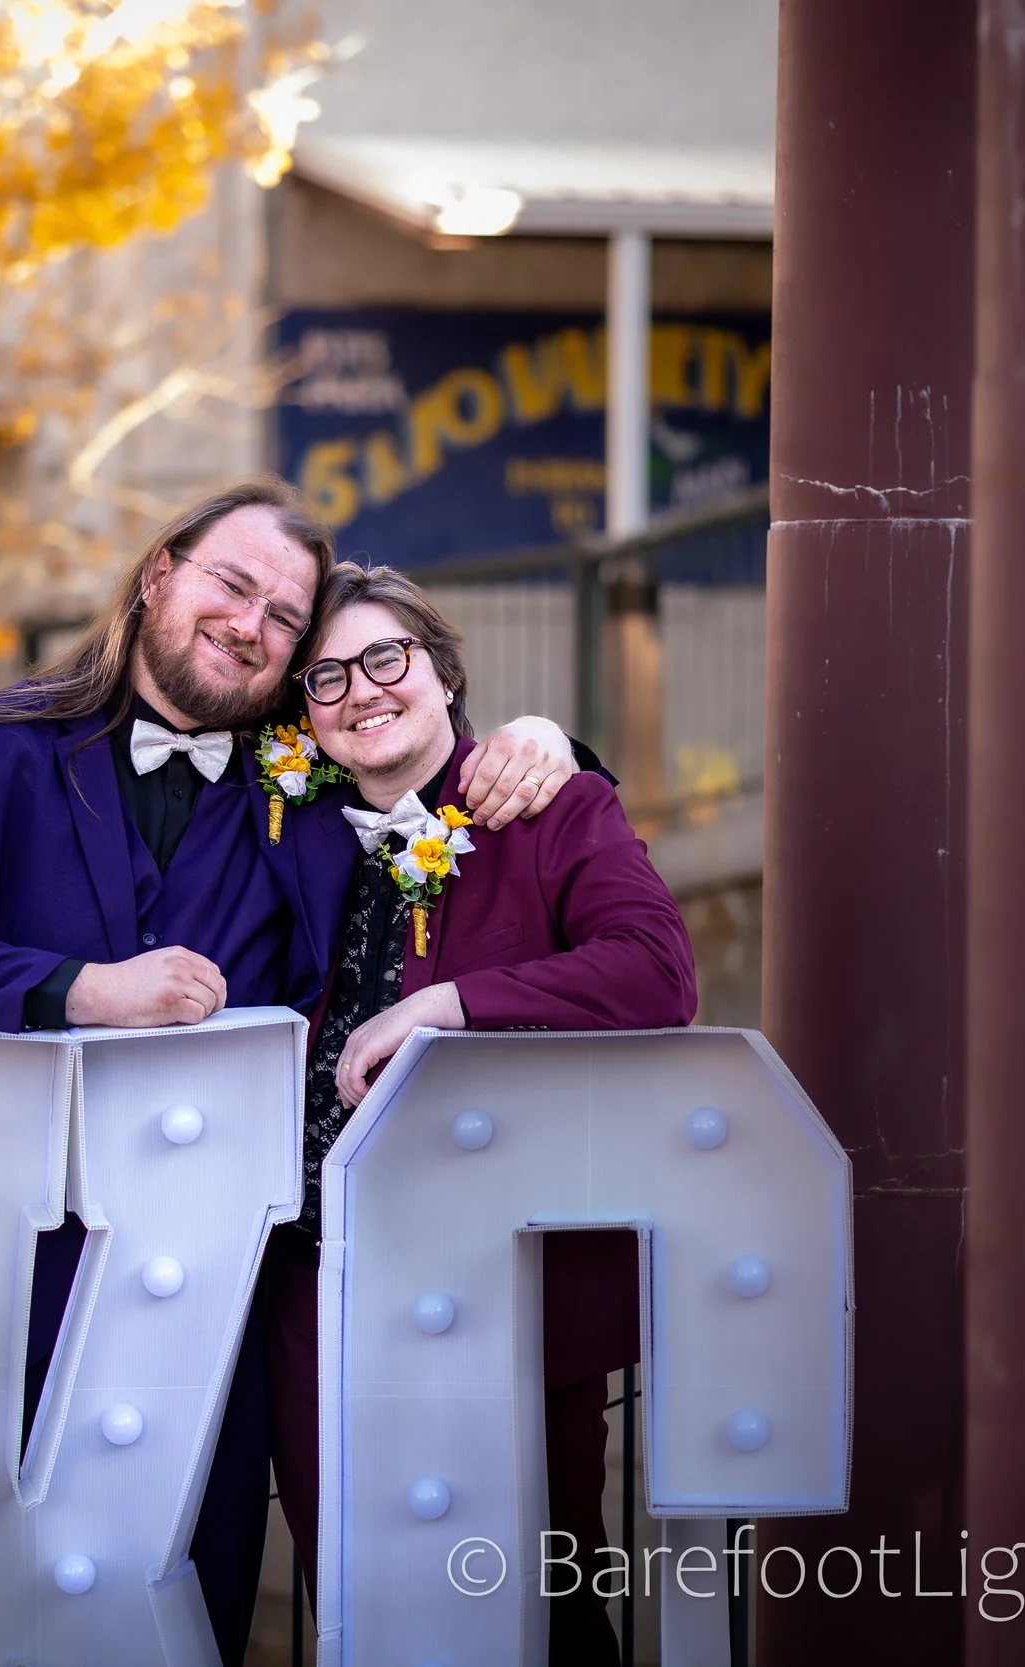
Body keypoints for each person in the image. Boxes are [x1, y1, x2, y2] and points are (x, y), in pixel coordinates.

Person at [0, 478, 590, 1663]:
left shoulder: (318, 780)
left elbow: (443, 774)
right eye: (233, 585)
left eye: (286, 617)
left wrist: (543, 742)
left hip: (214, 1309)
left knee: (196, 1611)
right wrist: (85, 989)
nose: (253, 624)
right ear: (158, 575)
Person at [260, 562, 697, 1667]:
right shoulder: (280, 826)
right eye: (324, 677)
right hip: (323, 1271)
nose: (360, 689)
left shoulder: (550, 805)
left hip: (515, 1277)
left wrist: (450, 1005)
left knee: (546, 1592)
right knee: (356, 1591)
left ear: (443, 672)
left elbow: (654, 972)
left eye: (384, 657)